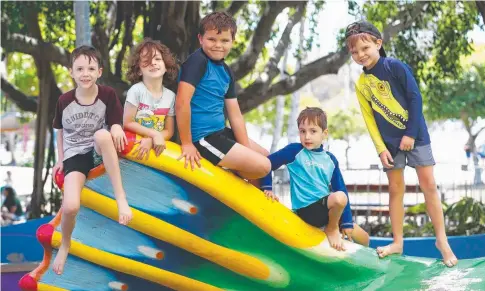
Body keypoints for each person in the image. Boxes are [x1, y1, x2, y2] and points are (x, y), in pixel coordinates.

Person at [345, 21, 457, 266]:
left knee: (428, 184)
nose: (360, 55)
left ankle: (442, 240)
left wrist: (410, 134)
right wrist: (381, 148)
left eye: (365, 48)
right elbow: (369, 120)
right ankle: (397, 241)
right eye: (354, 52)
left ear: (378, 43)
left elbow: (415, 100)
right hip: (389, 144)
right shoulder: (362, 85)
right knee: (395, 189)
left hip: (415, 135)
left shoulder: (394, 66)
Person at [51, 45, 133, 275]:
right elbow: (59, 130)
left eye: (90, 68)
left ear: (99, 71)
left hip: (98, 150)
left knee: (103, 134)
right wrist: (60, 160)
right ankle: (66, 243)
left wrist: (116, 128)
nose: (85, 73)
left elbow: (115, 121)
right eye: (79, 69)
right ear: (71, 72)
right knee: (70, 206)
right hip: (75, 155)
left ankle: (121, 199)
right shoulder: (64, 100)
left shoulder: (107, 95)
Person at [175, 11, 270, 182]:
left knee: (265, 157)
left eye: (225, 40)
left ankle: (252, 203)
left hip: (220, 133)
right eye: (212, 39)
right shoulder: (198, 61)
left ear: (233, 42)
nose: (218, 45)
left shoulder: (226, 72)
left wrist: (246, 150)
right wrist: (187, 143)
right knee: (262, 166)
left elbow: (235, 115)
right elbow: (182, 102)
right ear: (200, 39)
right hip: (202, 138)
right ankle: (228, 176)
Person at [261, 107, 370, 250]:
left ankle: (370, 262)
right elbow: (266, 164)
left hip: (327, 210)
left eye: (313, 131)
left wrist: (347, 223)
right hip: (306, 210)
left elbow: (340, 187)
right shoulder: (294, 151)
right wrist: (267, 188)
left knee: (364, 238)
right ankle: (331, 229)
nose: (307, 137)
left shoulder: (330, 159)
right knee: (339, 198)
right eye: (302, 131)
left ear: (324, 133)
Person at [123, 38, 179, 160]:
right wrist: (153, 135)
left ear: (166, 66)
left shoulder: (171, 96)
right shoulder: (136, 90)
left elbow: (169, 131)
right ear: (138, 70)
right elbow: (127, 123)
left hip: (156, 147)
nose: (153, 63)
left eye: (158, 59)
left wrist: (151, 139)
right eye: (146, 61)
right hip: (134, 145)